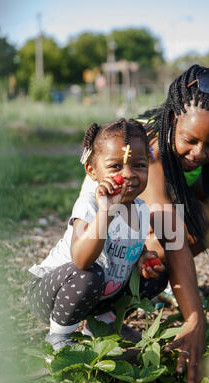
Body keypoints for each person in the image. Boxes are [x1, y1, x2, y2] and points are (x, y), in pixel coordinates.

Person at [80, 64, 209, 383]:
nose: (199, 153)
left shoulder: (198, 150)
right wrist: (195, 317)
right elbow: (171, 234)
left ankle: (178, 285)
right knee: (165, 247)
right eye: (190, 140)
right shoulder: (148, 152)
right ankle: (114, 307)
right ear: (174, 118)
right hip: (110, 235)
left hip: (158, 214)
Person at [27, 118, 167, 351]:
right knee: (89, 274)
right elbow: (81, 261)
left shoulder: (141, 208)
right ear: (92, 171)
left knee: (158, 275)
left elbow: (132, 244)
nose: (128, 174)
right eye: (115, 167)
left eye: (139, 165)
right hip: (53, 294)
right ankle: (59, 336)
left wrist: (144, 258)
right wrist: (107, 212)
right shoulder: (90, 205)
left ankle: (102, 326)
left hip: (97, 296)